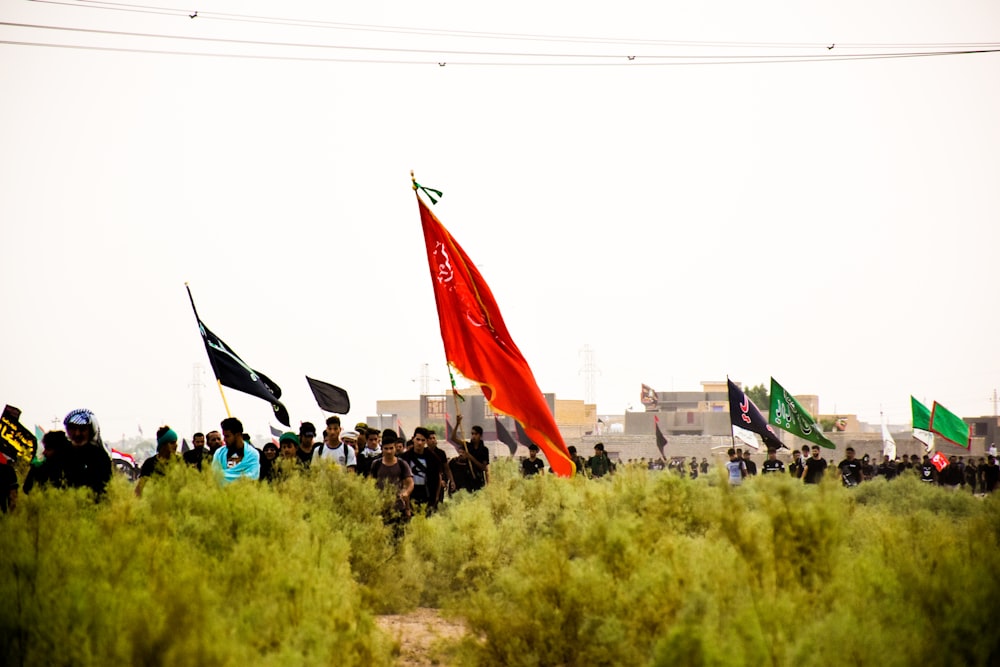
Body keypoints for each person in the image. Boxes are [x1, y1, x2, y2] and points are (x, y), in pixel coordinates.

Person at [58, 409, 113, 498]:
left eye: (82, 429)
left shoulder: (99, 456)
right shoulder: (61, 453)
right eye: (73, 429)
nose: (77, 434)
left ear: (91, 430)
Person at [371, 431, 414, 532]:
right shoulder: (376, 464)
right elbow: (370, 484)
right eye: (386, 448)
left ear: (395, 448)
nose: (389, 451)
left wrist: (406, 493)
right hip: (381, 508)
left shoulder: (402, 464)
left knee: (398, 538)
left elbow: (410, 483)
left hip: (399, 507)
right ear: (382, 449)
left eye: (391, 448)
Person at [400, 427, 442, 514]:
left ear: (426, 441)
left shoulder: (433, 458)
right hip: (410, 493)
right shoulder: (404, 457)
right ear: (413, 439)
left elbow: (437, 478)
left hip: (426, 493)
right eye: (418, 439)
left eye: (423, 440)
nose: (420, 443)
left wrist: (436, 497)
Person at [212, 417, 260, 484]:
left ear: (238, 435)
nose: (224, 440)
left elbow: (252, 478)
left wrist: (224, 477)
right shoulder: (219, 453)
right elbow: (215, 476)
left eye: (227, 436)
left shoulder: (252, 454)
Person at [136, 426, 180, 497]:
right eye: (172, 443)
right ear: (163, 445)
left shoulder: (180, 462)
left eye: (176, 442)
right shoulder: (150, 463)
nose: (176, 445)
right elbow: (139, 488)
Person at [453, 416, 489, 487]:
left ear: (480, 435)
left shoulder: (484, 450)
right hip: (467, 479)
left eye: (476, 434)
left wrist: (470, 457)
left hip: (478, 479)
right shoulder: (467, 446)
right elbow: (453, 438)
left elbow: (483, 467)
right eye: (472, 434)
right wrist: (457, 423)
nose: (473, 436)